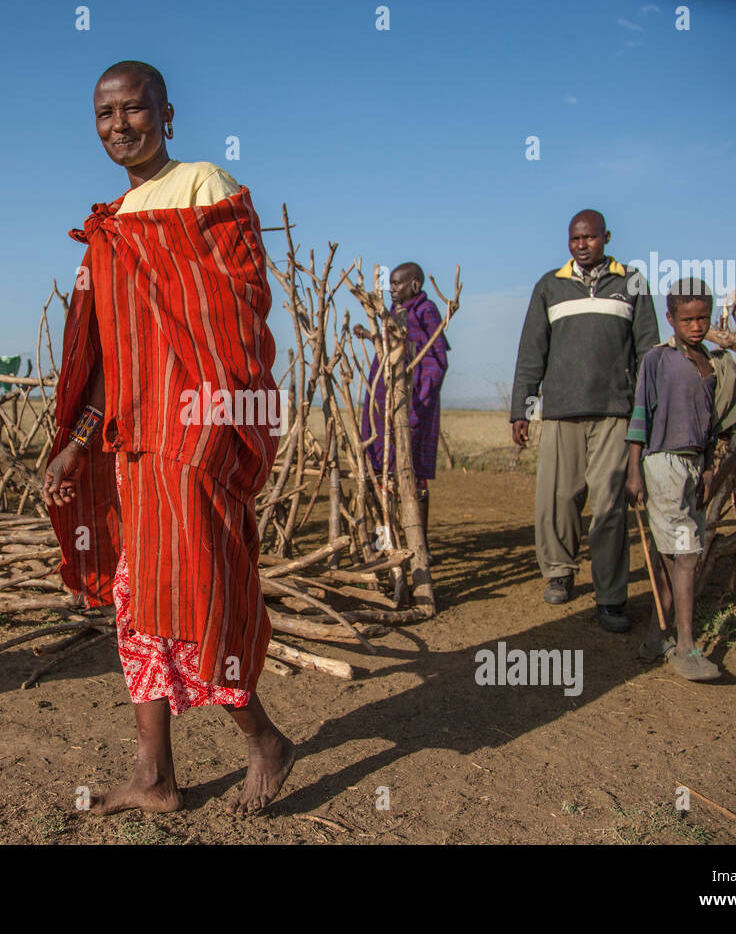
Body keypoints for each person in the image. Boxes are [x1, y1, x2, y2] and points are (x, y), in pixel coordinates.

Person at [43, 60, 296, 814]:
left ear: (168, 113)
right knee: (139, 602)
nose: (120, 125)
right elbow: (108, 365)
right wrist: (77, 444)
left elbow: (241, 312)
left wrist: (214, 426)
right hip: (135, 447)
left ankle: (266, 741)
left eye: (134, 109)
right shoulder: (110, 225)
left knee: (198, 597)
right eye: (104, 114)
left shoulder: (203, 186)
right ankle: (155, 776)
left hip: (192, 439)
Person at [510, 210, 660, 631]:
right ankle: (559, 572)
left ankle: (610, 597)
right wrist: (523, 407)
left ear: (606, 238)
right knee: (557, 500)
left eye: (590, 238)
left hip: (615, 411)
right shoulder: (549, 285)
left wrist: (647, 410)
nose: (582, 245)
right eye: (575, 238)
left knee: (610, 506)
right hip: (560, 410)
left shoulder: (631, 282)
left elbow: (648, 351)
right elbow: (531, 351)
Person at [625, 279, 736, 681]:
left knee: (673, 556)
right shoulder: (657, 361)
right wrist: (634, 472)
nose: (696, 326)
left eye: (702, 318)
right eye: (687, 319)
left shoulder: (713, 365)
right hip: (662, 465)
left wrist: (711, 466)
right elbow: (640, 417)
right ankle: (687, 645)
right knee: (684, 554)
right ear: (671, 319)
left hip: (695, 468)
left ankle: (653, 640)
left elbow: (711, 426)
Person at [354, 262, 450, 543]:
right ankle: (384, 542)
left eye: (398, 284)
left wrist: (418, 401)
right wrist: (372, 335)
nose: (392, 289)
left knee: (412, 478)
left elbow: (435, 360)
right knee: (381, 474)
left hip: (411, 407)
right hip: (383, 405)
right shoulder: (396, 314)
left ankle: (418, 543)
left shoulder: (425, 312)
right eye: (391, 283)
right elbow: (394, 348)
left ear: (415, 285)